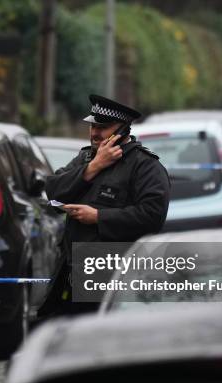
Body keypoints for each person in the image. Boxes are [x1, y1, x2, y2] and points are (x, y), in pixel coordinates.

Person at [39, 94, 170, 316]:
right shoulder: (86, 159)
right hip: (73, 274)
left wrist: (99, 217)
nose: (95, 133)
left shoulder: (145, 166)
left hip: (116, 278)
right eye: (93, 126)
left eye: (104, 127)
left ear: (123, 130)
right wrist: (92, 168)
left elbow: (152, 216)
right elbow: (53, 189)